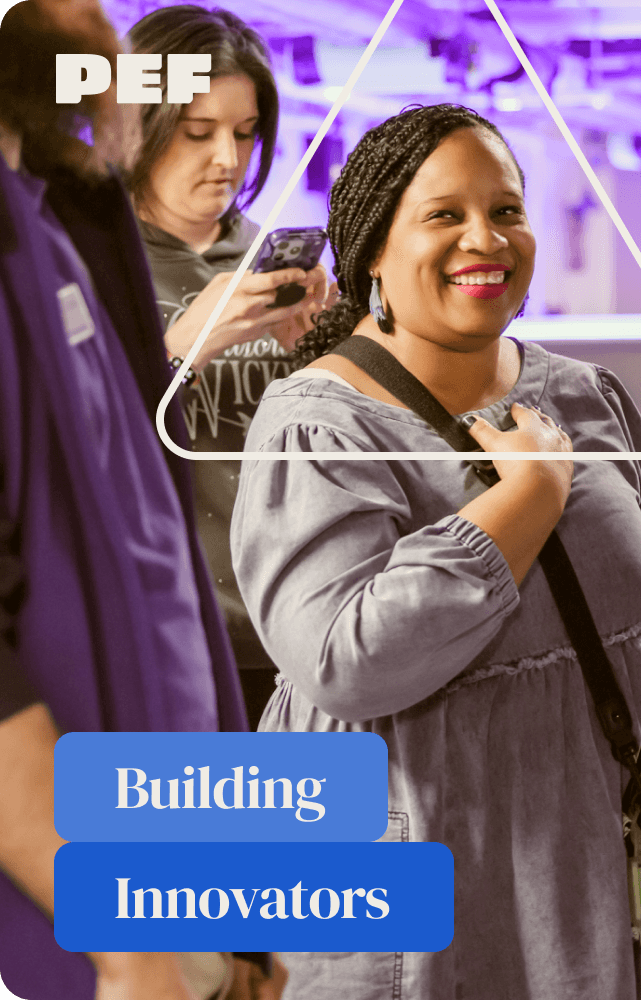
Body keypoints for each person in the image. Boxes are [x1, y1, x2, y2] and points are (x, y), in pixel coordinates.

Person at [231, 103, 641, 1000]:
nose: (484, 239)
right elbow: (346, 660)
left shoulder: (586, 394)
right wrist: (526, 497)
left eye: (508, 210)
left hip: (600, 899)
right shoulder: (318, 424)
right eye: (443, 214)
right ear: (373, 246)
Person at [0, 2, 284, 998]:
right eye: (199, 131)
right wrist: (123, 939)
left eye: (244, 136)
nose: (98, 17)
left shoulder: (62, 226)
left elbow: (151, 564)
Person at [128, 4, 329, 726]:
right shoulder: (81, 259)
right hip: (156, 634)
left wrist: (323, 358)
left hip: (288, 633)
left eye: (245, 134)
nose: (230, 160)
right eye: (198, 132)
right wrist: (185, 345)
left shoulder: (263, 259)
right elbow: (63, 442)